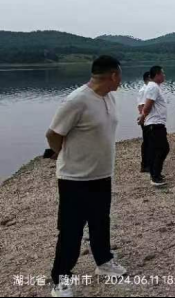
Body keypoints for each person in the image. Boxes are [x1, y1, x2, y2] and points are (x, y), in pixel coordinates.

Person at [46, 56, 127, 298]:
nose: (121, 80)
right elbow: (53, 134)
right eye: (120, 75)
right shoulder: (77, 100)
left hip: (102, 175)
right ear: (113, 75)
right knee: (71, 231)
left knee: (101, 222)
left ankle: (104, 262)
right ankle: (60, 279)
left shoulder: (109, 97)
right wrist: (63, 154)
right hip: (74, 179)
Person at [139, 66, 170, 187]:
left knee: (158, 149)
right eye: (163, 73)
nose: (164, 76)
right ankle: (155, 176)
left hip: (156, 123)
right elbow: (147, 106)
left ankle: (156, 173)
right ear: (157, 75)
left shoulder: (154, 86)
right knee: (162, 149)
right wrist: (143, 117)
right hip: (154, 123)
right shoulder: (153, 87)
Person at [137, 71, 151, 173]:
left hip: (148, 118)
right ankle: (145, 165)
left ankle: (147, 163)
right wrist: (144, 118)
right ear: (148, 78)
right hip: (146, 119)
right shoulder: (144, 90)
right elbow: (141, 106)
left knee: (149, 141)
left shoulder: (149, 89)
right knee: (147, 141)